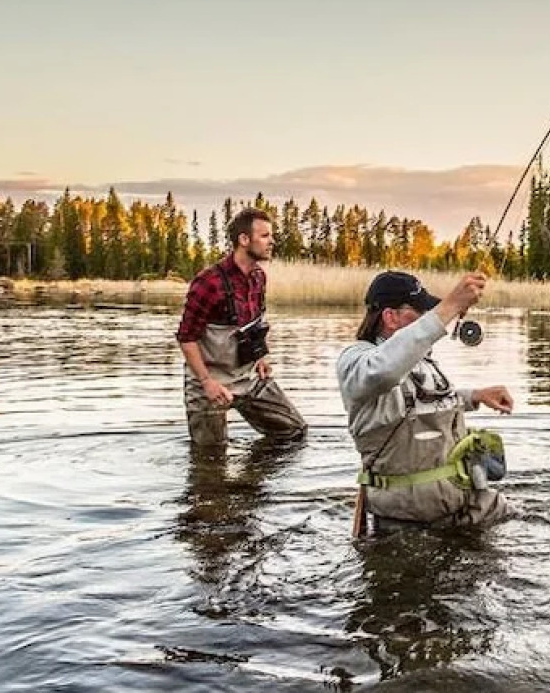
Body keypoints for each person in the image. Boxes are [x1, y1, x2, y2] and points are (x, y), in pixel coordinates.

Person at [337, 270, 514, 533]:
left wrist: (475, 396)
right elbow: (383, 373)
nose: (427, 320)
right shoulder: (356, 361)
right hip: (408, 525)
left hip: (467, 506)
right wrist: (450, 306)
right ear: (390, 317)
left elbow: (424, 404)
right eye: (420, 312)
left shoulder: (423, 362)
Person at [176, 207, 306, 450]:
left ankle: (252, 483)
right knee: (211, 460)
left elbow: (254, 324)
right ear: (244, 240)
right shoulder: (208, 282)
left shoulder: (259, 277)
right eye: (265, 236)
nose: (272, 242)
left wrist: (260, 358)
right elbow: (186, 338)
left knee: (293, 432)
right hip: (209, 383)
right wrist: (207, 382)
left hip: (248, 378)